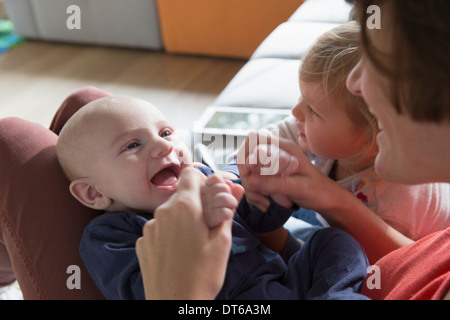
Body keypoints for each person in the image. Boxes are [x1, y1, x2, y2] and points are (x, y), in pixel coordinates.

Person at [233, 0, 450, 299]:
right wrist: (259, 150)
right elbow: (275, 135)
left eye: (380, 59)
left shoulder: (401, 209)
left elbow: (371, 269)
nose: (356, 82)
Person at [56, 94, 370, 300]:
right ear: (93, 192)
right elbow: (139, 292)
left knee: (332, 243)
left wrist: (271, 192)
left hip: (286, 285)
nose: (164, 146)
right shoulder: (109, 235)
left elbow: (259, 221)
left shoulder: (205, 178)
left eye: (166, 133)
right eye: (132, 146)